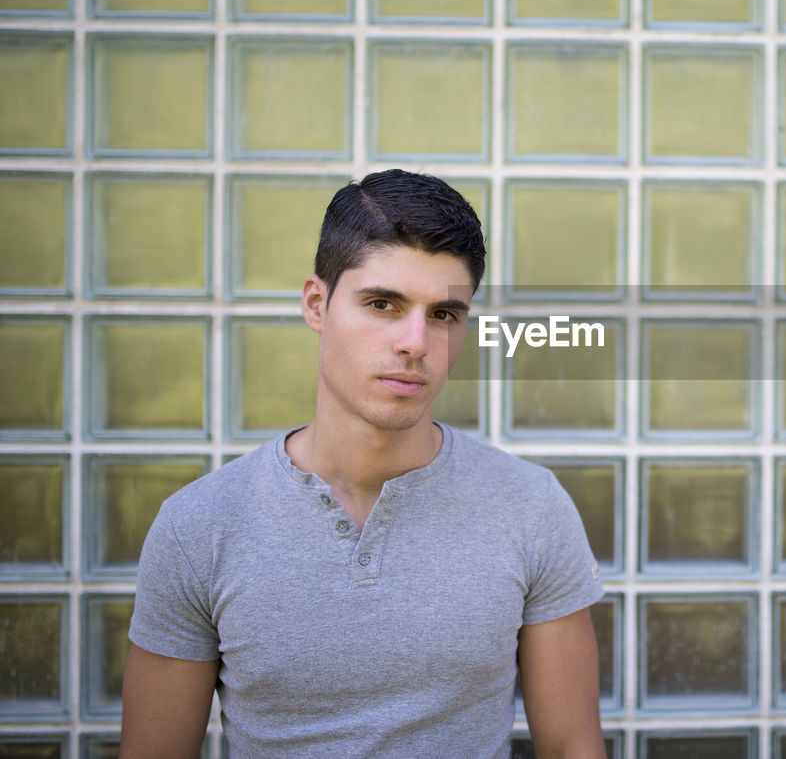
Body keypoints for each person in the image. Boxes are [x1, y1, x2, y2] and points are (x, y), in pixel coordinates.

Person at [121, 170, 606, 759]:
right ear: (316, 303)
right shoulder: (198, 527)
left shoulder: (531, 507)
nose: (415, 342)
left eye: (444, 315)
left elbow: (573, 748)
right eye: (383, 304)